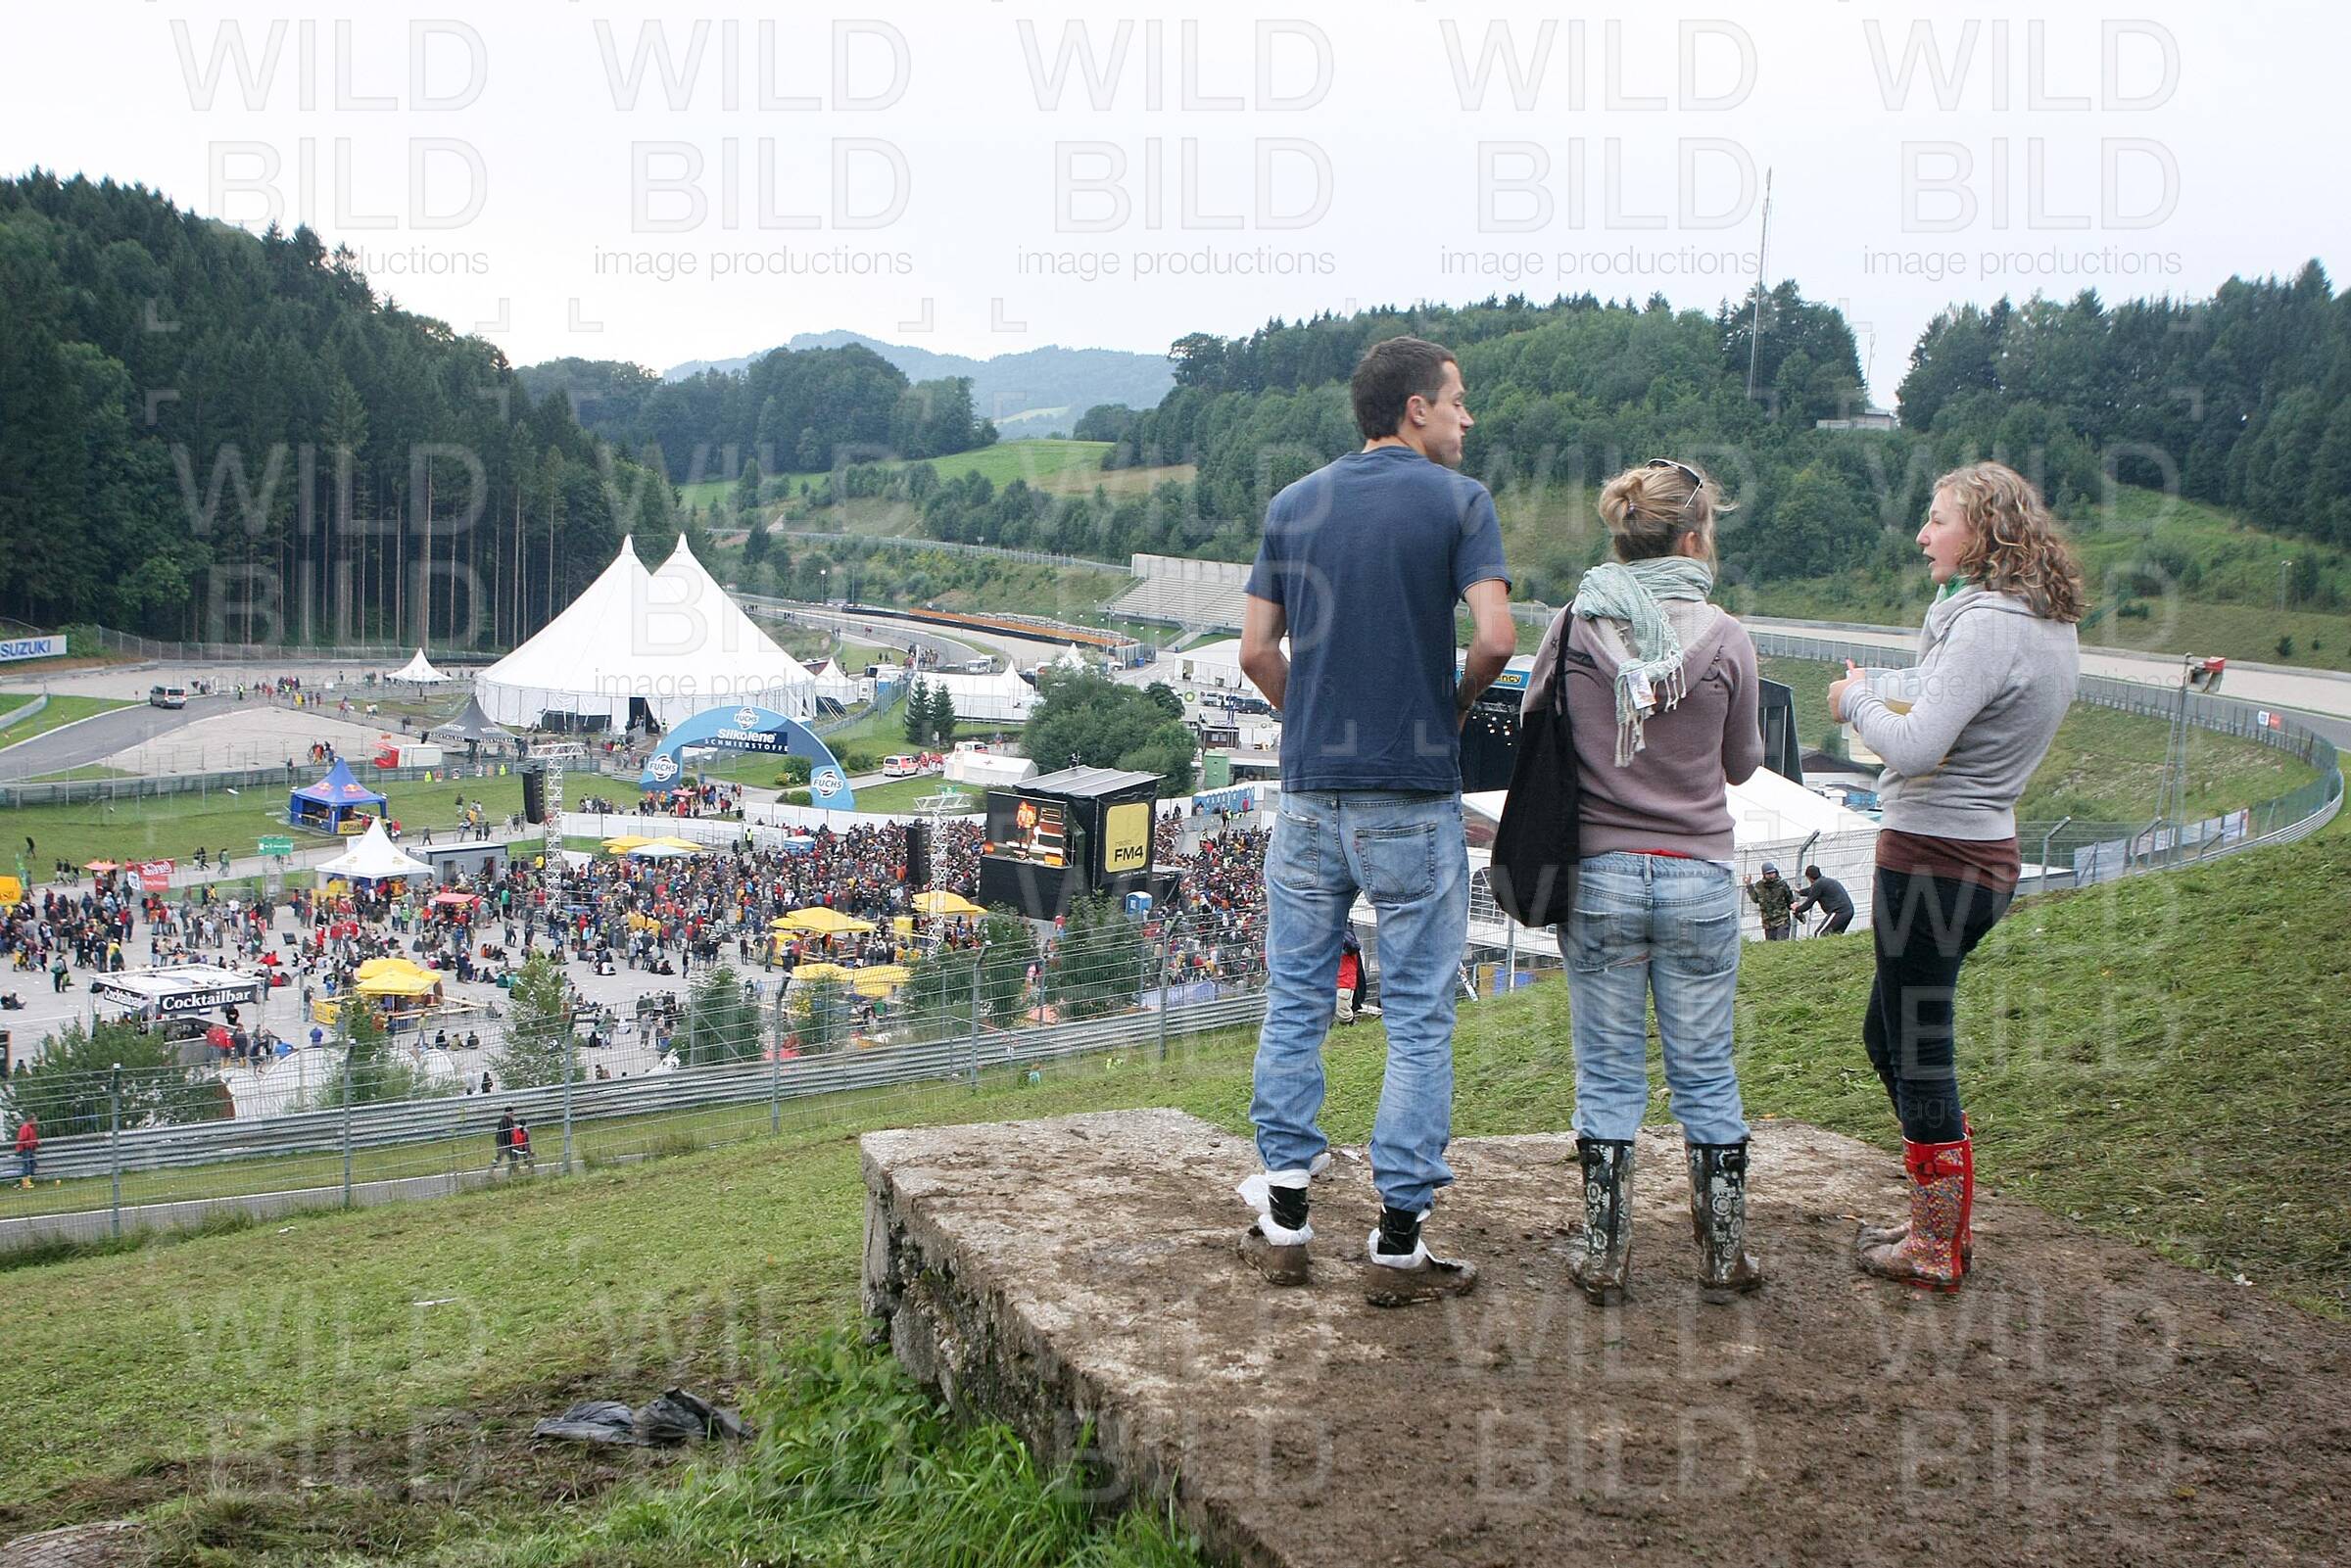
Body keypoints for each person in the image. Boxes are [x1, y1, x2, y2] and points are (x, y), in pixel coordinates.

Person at [1235, 335, 1515, 1303]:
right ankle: (1398, 1242)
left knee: (1297, 997)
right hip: (1413, 793)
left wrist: (1310, 719)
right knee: (1419, 1014)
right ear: (1414, 409)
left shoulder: (1292, 504)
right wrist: (1450, 707)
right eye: (1457, 399)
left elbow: (1255, 651)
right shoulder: (1461, 503)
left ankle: (1285, 1216)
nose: (1468, 417)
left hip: (1312, 792)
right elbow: (1495, 637)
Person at [1830, 461, 2084, 1291]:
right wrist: (1875, 684)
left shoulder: (1984, 625)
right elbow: (1944, 692)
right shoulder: (2038, 619)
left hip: (1934, 861)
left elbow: (1914, 745)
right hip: (1983, 854)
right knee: (1889, 1036)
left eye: (1937, 519)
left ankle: (1937, 1242)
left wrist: (1853, 704)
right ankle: (1936, 1217)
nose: (1922, 534)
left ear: (1982, 529)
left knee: (1918, 1047)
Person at [1526, 457, 1765, 1306]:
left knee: (1607, 1072)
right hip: (1698, 874)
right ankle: (1723, 1252)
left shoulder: (1573, 624)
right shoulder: (1727, 638)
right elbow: (1743, 762)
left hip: (1599, 877)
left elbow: (1534, 722)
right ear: (1694, 539)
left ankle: (1605, 1252)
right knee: (1705, 1071)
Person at [1790, 865, 1854, 935]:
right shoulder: (1825, 881)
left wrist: (1797, 909)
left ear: (1809, 877)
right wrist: (1800, 891)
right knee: (1835, 935)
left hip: (1838, 912)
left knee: (1819, 934)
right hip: (1849, 911)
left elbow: (1808, 904)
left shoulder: (1818, 885)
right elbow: (1812, 891)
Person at [1745, 862, 1795, 939]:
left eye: (1772, 873)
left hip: (1782, 919)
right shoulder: (1760, 885)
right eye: (1768, 874)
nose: (1771, 875)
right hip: (1768, 922)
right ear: (1764, 874)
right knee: (1771, 944)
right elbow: (1755, 899)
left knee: (1782, 943)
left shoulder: (1782, 884)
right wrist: (1749, 885)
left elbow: (1790, 900)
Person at [14, 1111, 36, 1188]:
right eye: (34, 1119)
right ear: (30, 1120)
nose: (36, 1121)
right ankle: (25, 1183)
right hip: (25, 1148)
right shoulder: (25, 1127)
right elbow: (22, 1139)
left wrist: (35, 1142)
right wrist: (29, 1144)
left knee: (32, 1164)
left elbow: (32, 1138)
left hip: (29, 1148)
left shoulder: (30, 1127)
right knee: (27, 1164)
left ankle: (27, 1181)